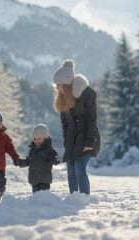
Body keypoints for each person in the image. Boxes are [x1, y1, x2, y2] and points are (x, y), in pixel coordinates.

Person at [52, 59, 101, 195]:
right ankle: (74, 198)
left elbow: (92, 118)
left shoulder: (87, 93)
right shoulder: (62, 98)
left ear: (66, 84)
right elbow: (65, 123)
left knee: (79, 168)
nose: (56, 88)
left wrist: (89, 141)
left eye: (59, 84)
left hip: (87, 137)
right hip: (72, 141)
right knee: (71, 171)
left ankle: (84, 198)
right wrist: (67, 142)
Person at [19, 124, 60, 193]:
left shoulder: (48, 150)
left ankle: (45, 203)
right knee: (36, 196)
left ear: (45, 138)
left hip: (44, 179)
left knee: (43, 195)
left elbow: (53, 155)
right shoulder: (32, 150)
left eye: (39, 138)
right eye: (35, 139)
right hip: (34, 178)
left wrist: (55, 159)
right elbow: (29, 161)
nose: (37, 140)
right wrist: (20, 162)